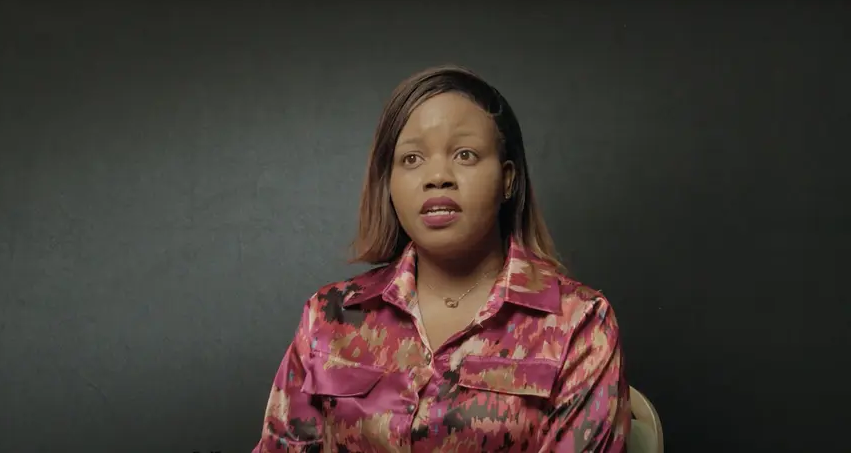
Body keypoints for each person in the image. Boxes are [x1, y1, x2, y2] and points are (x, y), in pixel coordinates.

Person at [252, 65, 631, 452]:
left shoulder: (578, 323)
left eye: (464, 154)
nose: (437, 176)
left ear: (508, 179)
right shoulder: (329, 317)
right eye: (412, 158)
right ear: (390, 183)